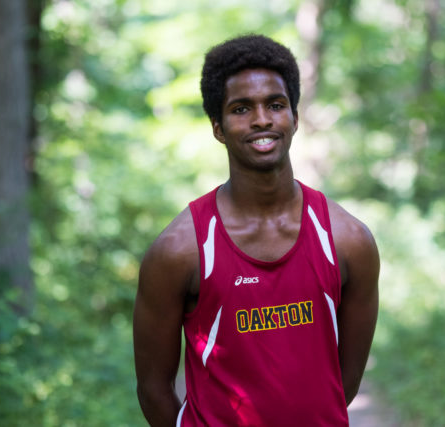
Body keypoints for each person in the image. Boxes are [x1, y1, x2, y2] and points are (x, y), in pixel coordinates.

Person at [133, 34, 379, 427]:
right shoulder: (179, 251)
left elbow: (343, 383)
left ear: (295, 118)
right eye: (241, 108)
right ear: (218, 127)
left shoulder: (349, 241)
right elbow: (152, 389)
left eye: (276, 105)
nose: (262, 119)